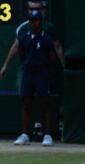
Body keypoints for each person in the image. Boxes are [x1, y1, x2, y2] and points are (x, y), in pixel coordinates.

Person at [12, 10, 56, 146]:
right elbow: (21, 56)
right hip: (28, 73)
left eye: (36, 20)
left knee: (45, 104)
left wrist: (42, 67)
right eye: (31, 20)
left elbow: (52, 59)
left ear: (41, 21)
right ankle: (25, 135)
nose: (34, 22)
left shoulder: (47, 39)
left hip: (42, 73)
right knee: (26, 104)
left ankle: (48, 136)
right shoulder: (24, 38)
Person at [0, 0, 64, 82]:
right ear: (28, 10)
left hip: (42, 68)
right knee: (24, 92)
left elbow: (57, 47)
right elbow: (15, 47)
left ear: (43, 10)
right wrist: (5, 66)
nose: (34, 11)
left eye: (38, 9)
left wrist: (63, 64)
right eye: (32, 9)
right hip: (26, 68)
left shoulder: (49, 28)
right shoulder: (23, 28)